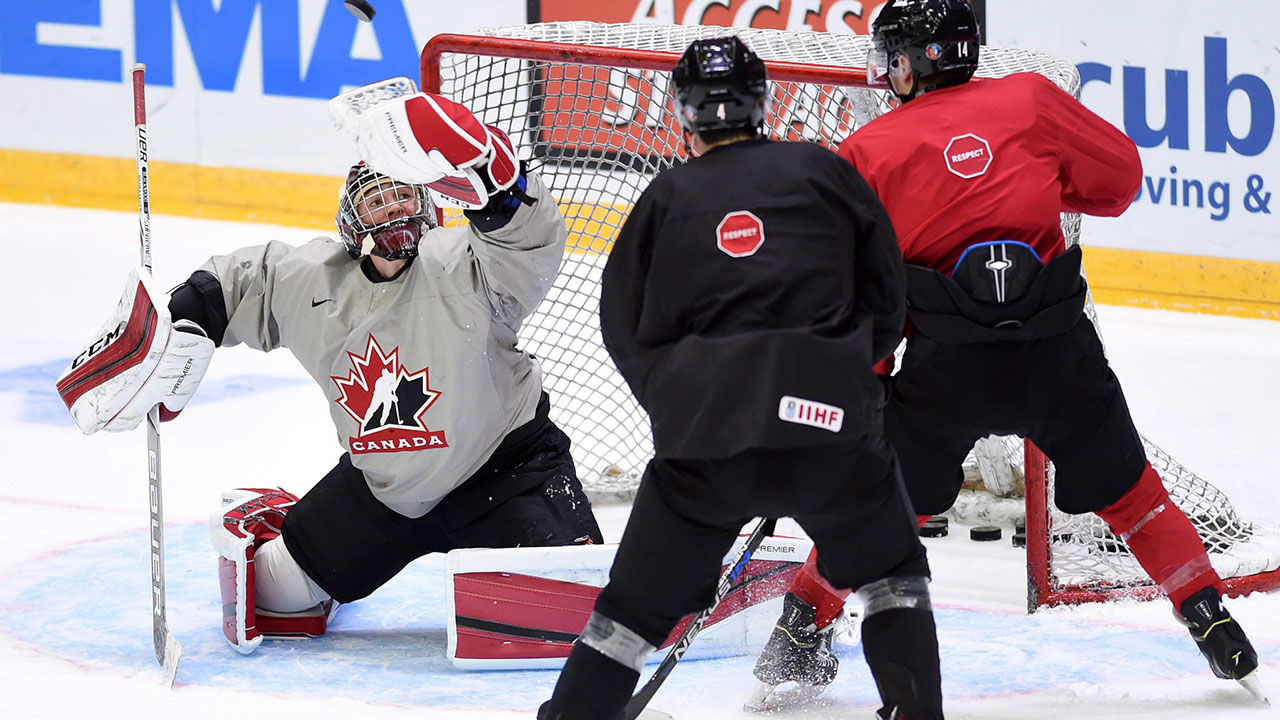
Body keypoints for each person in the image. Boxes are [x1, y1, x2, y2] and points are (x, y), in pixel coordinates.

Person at [750, 0, 1263, 706]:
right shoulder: (1029, 98)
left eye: (892, 56)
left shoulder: (869, 151)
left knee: (877, 510)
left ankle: (804, 623)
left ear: (910, 64)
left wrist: (862, 390)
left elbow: (858, 299)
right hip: (1055, 355)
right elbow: (1118, 183)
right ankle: (1209, 613)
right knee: (1130, 492)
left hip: (944, 374)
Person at [56, 85, 604, 653]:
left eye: (402, 199)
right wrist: (169, 328)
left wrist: (495, 172)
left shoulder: (468, 262)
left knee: (568, 620)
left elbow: (528, 238)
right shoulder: (316, 283)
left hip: (507, 476)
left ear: (430, 206)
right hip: (385, 493)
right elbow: (241, 281)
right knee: (265, 599)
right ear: (349, 222)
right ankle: (275, 517)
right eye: (376, 203)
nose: (392, 213)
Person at [537, 36, 945, 720]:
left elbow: (626, 325)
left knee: (627, 620)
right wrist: (838, 389)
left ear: (685, 112)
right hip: (833, 437)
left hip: (704, 448)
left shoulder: (666, 197)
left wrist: (694, 409)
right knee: (894, 581)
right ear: (761, 102)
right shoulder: (824, 172)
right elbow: (886, 294)